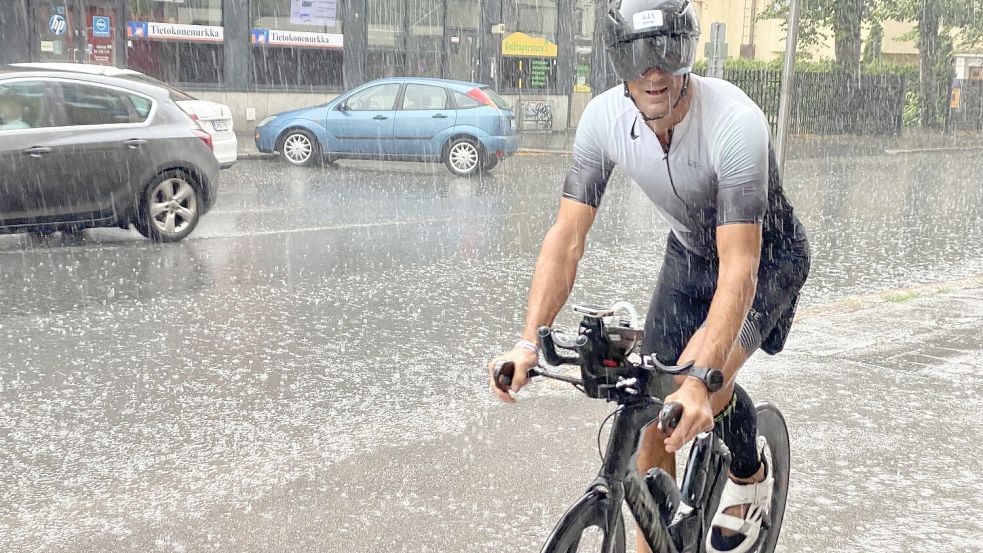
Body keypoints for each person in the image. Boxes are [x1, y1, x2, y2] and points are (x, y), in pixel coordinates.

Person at [486, 1, 810, 552]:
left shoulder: (735, 122)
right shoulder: (603, 119)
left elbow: (738, 269)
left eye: (665, 50)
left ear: (687, 52)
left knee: (710, 379)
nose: (653, 70)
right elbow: (567, 236)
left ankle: (750, 475)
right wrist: (527, 341)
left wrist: (699, 379)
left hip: (764, 260)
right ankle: (653, 538)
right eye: (637, 55)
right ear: (618, 63)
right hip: (688, 258)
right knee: (649, 408)